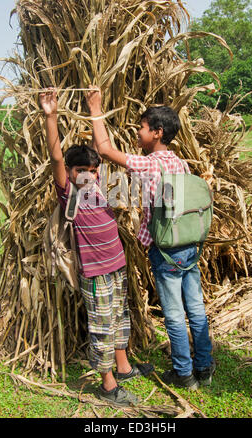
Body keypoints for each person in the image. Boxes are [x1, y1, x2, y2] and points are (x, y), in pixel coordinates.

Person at [85, 86, 216, 390]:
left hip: (166, 250)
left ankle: (183, 374)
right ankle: (205, 367)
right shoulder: (179, 162)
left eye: (142, 128)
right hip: (189, 248)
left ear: (157, 132)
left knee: (173, 313)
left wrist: (95, 108)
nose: (138, 134)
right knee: (195, 309)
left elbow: (104, 150)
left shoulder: (150, 162)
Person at [40, 88, 153, 406]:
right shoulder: (69, 194)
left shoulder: (100, 187)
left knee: (119, 318)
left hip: (116, 266)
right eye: (82, 172)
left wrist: (95, 109)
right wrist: (51, 116)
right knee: (102, 326)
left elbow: (99, 152)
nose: (89, 175)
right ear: (70, 175)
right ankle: (107, 386)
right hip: (96, 273)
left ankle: (124, 367)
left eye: (93, 170)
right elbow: (56, 157)